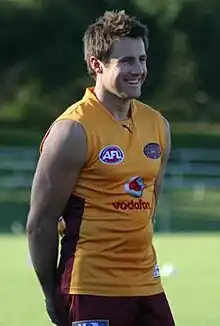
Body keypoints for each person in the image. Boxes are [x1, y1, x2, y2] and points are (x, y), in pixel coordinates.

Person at [26, 9, 175, 326]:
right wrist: (51, 294)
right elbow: (40, 223)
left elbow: (149, 203)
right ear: (96, 64)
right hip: (90, 288)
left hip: (147, 286)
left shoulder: (158, 125)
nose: (138, 70)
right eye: (126, 61)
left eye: (142, 59)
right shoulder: (72, 130)